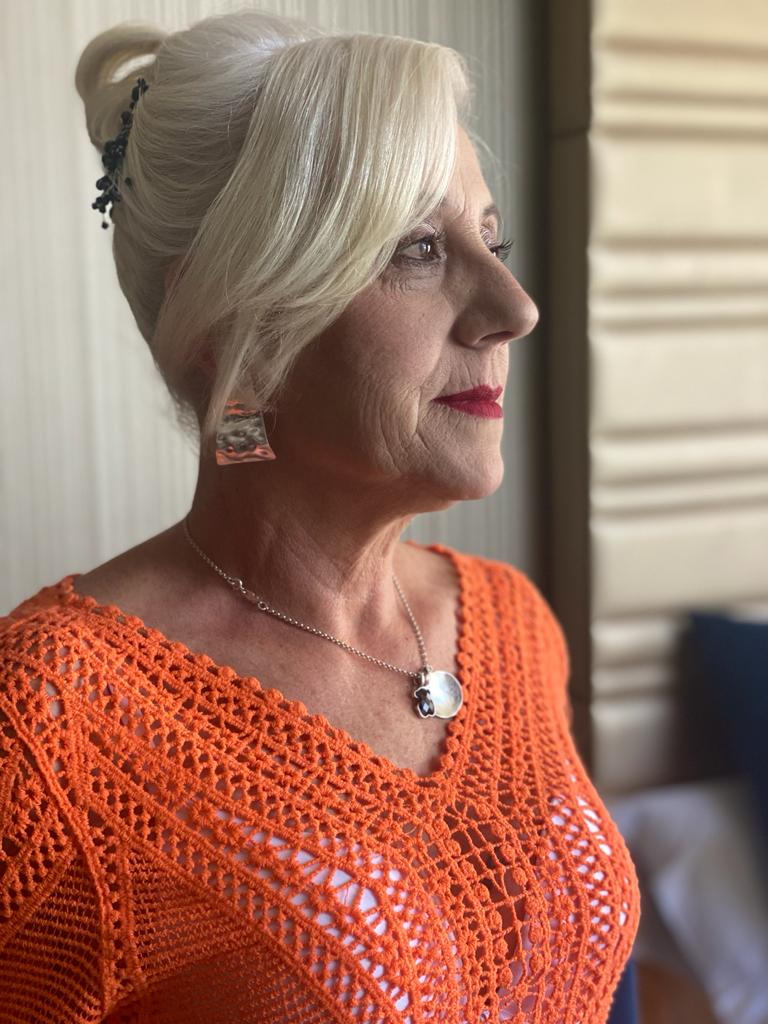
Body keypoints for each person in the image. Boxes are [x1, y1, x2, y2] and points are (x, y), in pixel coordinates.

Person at [0, 9, 640, 1023]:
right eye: (418, 248)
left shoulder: (513, 623)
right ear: (238, 332)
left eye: (492, 239)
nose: (515, 307)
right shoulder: (49, 724)